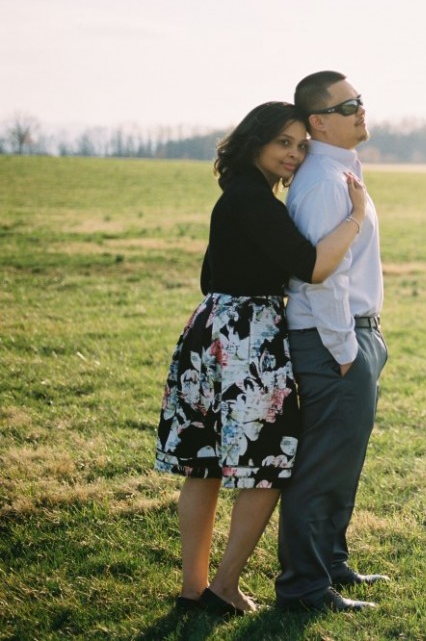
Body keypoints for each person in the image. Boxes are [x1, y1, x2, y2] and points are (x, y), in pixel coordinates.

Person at [155, 101, 367, 616]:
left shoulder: (237, 196)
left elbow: (214, 275)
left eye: (300, 146)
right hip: (247, 337)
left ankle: (194, 589)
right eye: (283, 144)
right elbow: (313, 266)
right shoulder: (256, 203)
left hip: (211, 328)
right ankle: (223, 586)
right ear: (256, 143)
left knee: (204, 464)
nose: (294, 155)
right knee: (267, 467)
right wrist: (356, 217)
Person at [275, 71, 389, 612]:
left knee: (343, 462)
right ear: (318, 121)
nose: (362, 110)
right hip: (332, 343)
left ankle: (332, 564)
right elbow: (320, 276)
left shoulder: (341, 170)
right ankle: (303, 588)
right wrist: (346, 349)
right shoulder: (323, 181)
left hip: (355, 338)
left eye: (361, 101)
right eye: (349, 105)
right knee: (322, 468)